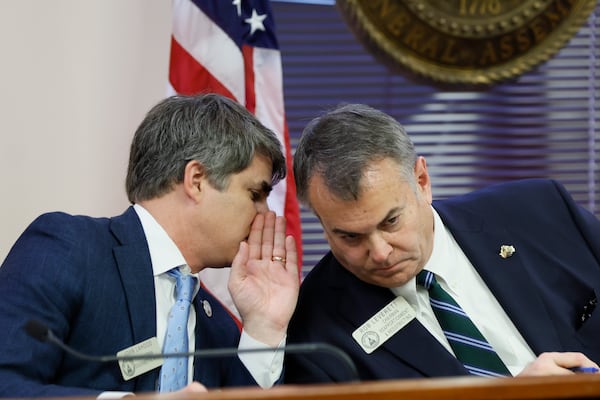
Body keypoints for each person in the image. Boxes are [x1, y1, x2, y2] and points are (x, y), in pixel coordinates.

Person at [0, 93, 299, 397]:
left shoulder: (217, 327)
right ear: (196, 180)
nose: (266, 214)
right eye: (255, 195)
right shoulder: (69, 248)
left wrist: (264, 328)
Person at [285, 102, 600, 383]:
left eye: (391, 221)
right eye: (349, 236)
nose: (380, 253)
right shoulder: (316, 332)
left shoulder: (541, 212)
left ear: (422, 181)